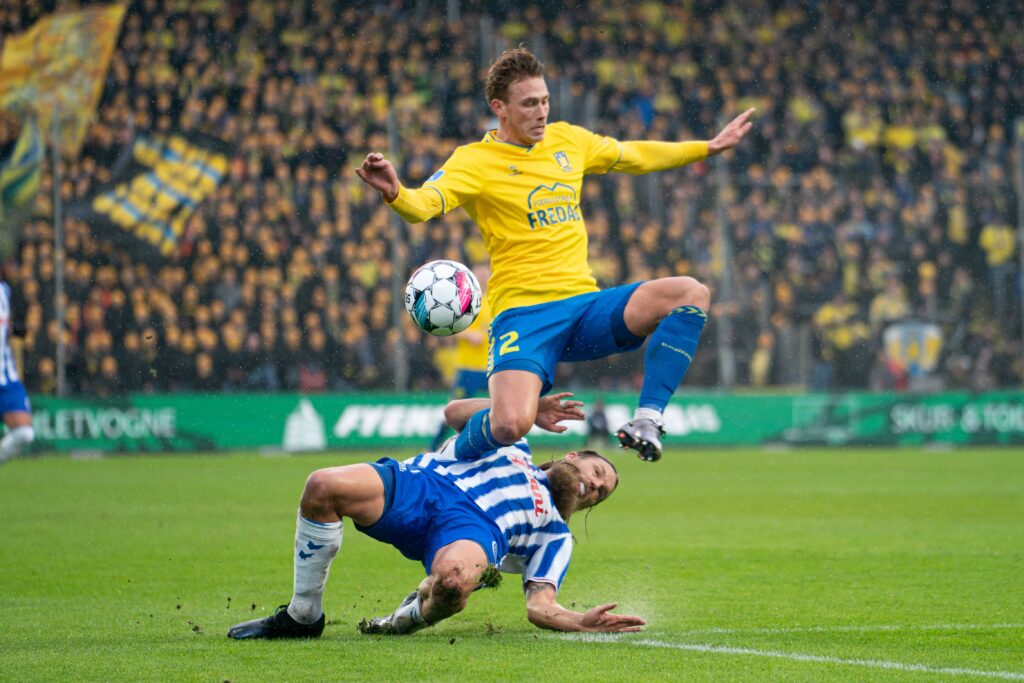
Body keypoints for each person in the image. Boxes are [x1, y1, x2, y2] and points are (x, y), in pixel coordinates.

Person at [356, 46, 754, 462]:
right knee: (510, 425)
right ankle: (439, 461)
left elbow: (632, 154)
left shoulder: (568, 140)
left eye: (544, 101)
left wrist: (705, 148)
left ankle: (648, 417)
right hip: (523, 316)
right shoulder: (473, 161)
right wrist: (396, 193)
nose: (541, 112)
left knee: (690, 292)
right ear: (500, 108)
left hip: (584, 308)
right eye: (529, 104)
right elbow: (426, 205)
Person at [227, 392, 644, 639]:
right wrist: (526, 409)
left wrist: (580, 622)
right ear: (573, 455)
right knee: (322, 486)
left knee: (452, 583)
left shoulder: (556, 535)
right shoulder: (513, 443)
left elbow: (540, 605)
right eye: (598, 472)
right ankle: (303, 615)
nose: (597, 486)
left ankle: (403, 621)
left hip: (474, 531)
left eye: (603, 493)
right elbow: (453, 414)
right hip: (422, 485)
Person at [428, 262, 492, 451]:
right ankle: (432, 448)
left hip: (490, 368)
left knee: (499, 409)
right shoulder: (465, 300)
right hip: (468, 368)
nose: (483, 278)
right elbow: (448, 328)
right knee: (454, 411)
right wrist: (468, 335)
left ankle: (493, 447)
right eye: (479, 274)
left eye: (485, 274)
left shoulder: (495, 301)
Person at [0, 278, 34, 465]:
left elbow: (18, 329)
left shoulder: (5, 291)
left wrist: (19, 362)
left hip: (6, 378)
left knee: (24, 434)